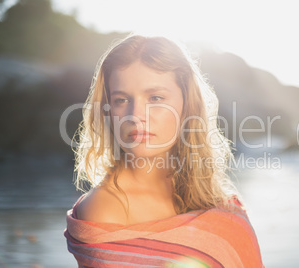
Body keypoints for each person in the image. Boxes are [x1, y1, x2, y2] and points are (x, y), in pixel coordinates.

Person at [64, 34, 264, 268]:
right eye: (121, 100)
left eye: (155, 97)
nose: (136, 115)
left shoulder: (219, 202)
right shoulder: (105, 210)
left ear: (187, 104)